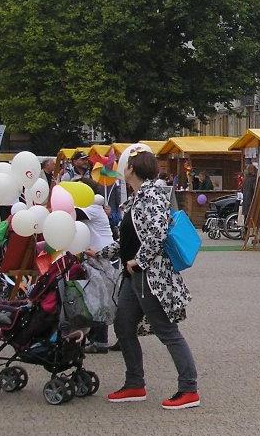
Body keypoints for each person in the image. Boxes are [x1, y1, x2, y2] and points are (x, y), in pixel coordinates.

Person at [102, 149, 200, 410]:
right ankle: (134, 383)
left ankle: (189, 388)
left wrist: (140, 260)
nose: (124, 169)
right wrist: (99, 253)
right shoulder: (138, 198)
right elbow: (128, 240)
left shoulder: (151, 196)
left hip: (149, 275)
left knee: (167, 330)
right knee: (123, 326)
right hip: (135, 275)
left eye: (127, 165)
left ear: (133, 170)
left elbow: (158, 233)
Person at [81, 195, 117, 354]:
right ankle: (116, 337)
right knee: (105, 297)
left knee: (99, 298)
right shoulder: (95, 209)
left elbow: (74, 214)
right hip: (100, 255)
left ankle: (100, 341)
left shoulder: (92, 209)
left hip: (101, 256)